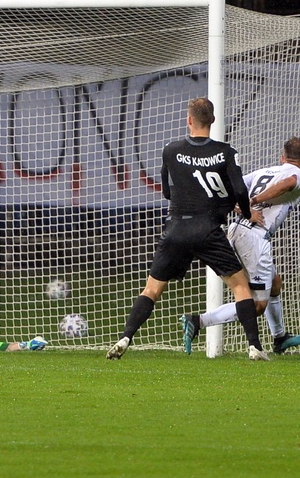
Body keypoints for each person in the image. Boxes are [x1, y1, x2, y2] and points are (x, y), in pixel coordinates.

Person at [106, 97, 267, 361]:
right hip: (208, 230)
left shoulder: (171, 150)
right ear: (212, 121)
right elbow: (239, 189)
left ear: (189, 120)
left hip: (177, 228)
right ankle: (254, 347)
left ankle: (126, 336)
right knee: (240, 287)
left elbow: (168, 191)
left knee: (152, 289)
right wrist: (244, 211)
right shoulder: (227, 152)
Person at [180, 137, 300, 355]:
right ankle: (198, 321)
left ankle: (280, 337)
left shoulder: (263, 172)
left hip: (237, 231)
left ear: (282, 157)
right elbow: (288, 184)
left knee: (275, 283)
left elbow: (226, 190)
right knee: (257, 305)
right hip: (254, 240)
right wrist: (254, 202)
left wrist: (242, 208)